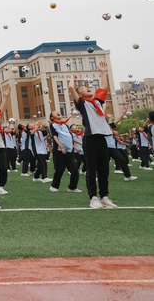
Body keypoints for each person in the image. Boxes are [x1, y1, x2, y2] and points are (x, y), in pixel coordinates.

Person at [69, 62, 118, 209]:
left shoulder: (97, 101)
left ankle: (104, 197)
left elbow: (104, 87)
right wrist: (72, 79)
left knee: (104, 169)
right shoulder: (82, 104)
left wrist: (103, 72)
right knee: (92, 169)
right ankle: (93, 198)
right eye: (83, 89)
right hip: (90, 138)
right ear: (80, 94)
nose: (87, 88)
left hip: (102, 138)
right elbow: (71, 88)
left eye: (87, 87)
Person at [48, 110, 81, 193]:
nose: (58, 112)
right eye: (55, 112)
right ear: (52, 117)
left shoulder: (65, 125)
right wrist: (61, 146)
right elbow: (54, 136)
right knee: (59, 170)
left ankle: (72, 188)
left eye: (58, 111)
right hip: (59, 151)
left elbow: (71, 137)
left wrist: (82, 143)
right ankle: (54, 186)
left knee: (74, 170)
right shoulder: (52, 125)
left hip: (69, 151)